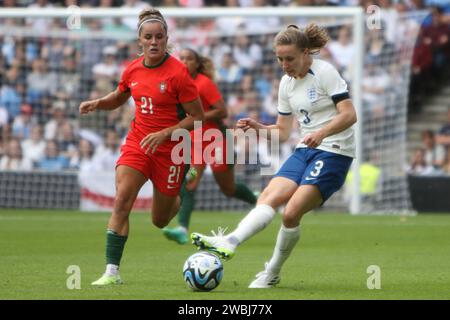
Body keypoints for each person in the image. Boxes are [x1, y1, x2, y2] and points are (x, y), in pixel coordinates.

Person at [190, 24, 357, 288]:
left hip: (335, 151)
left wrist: (322, 133)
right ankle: (230, 241)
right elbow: (282, 132)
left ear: (305, 52)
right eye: (279, 59)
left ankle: (272, 272)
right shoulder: (286, 83)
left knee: (290, 213)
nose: (284, 64)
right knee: (268, 196)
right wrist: (259, 128)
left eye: (289, 58)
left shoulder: (325, 72)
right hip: (305, 149)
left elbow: (349, 114)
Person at [79, 8, 204, 286]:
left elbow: (197, 118)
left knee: (159, 220)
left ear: (166, 38)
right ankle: (112, 272)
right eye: (148, 37)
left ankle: (178, 195)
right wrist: (99, 102)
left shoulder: (178, 73)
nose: (154, 42)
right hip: (138, 143)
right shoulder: (133, 68)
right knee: (122, 199)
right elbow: (119, 96)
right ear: (140, 40)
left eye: (159, 36)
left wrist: (166, 134)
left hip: (171, 151)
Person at [162, 48, 257, 245]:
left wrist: (199, 116)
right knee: (189, 184)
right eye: (182, 59)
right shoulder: (177, 85)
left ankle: (259, 202)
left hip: (217, 141)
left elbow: (222, 111)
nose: (185, 62)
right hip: (194, 142)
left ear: (197, 63)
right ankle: (182, 229)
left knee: (228, 189)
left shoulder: (204, 84)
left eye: (189, 59)